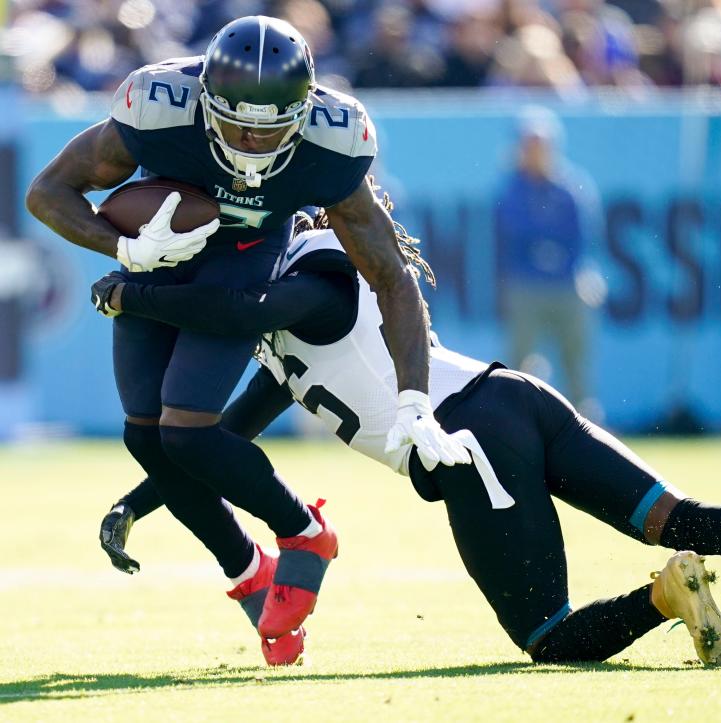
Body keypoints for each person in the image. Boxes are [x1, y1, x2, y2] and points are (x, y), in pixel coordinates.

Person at [91, 212, 721, 666]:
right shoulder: (300, 317)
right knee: (674, 513)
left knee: (545, 637)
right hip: (516, 397)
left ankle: (665, 598)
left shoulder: (312, 276)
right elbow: (214, 432)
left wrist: (135, 290)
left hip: (465, 444)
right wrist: (139, 502)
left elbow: (243, 311)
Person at [26, 16, 469, 664]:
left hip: (242, 262)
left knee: (186, 428)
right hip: (160, 256)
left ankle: (303, 529)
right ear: (204, 102)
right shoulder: (159, 108)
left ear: (303, 113)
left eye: (271, 125)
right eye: (237, 123)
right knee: (145, 435)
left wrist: (415, 400)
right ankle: (247, 570)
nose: (253, 140)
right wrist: (122, 244)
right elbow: (47, 192)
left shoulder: (332, 141)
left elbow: (392, 277)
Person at [494, 106, 601, 410]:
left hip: (568, 283)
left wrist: (555, 256)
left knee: (575, 361)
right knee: (517, 363)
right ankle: (511, 424)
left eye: (541, 145)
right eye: (529, 145)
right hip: (525, 284)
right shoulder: (511, 190)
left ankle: (586, 426)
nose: (535, 152)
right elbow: (513, 236)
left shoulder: (570, 189)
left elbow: (581, 238)